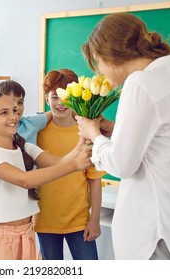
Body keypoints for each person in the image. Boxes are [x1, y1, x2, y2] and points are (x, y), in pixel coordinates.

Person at [75, 13, 170, 260]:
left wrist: (93, 133)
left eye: (98, 63)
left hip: (159, 232)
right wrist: (117, 130)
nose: (101, 71)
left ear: (110, 57)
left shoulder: (139, 84)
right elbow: (166, 139)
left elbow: (121, 164)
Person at [0, 90, 93, 260]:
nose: (14, 117)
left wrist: (84, 141)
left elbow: (60, 162)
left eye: (15, 111)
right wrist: (75, 165)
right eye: (4, 113)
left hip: (26, 234)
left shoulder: (25, 148)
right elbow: (24, 180)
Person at [35, 69, 104, 260]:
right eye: (54, 97)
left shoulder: (88, 131)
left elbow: (94, 180)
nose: (60, 103)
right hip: (45, 219)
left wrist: (95, 220)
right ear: (46, 98)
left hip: (80, 222)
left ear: (75, 98)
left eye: (65, 97)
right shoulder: (38, 132)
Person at [0, 80, 52, 144]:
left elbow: (54, 113)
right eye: (10, 101)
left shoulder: (30, 123)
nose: (16, 107)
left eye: (20, 102)